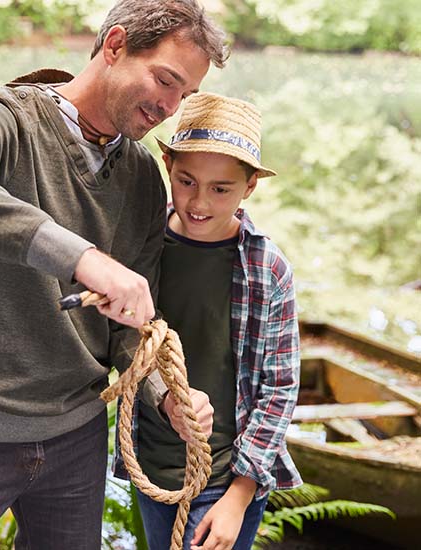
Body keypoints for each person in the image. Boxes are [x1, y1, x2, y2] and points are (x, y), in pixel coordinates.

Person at [0, 2, 229, 548]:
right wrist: (82, 258)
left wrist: (167, 393)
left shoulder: (144, 176)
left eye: (184, 95)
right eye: (165, 80)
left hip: (76, 438)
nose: (170, 107)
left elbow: (133, 324)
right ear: (115, 45)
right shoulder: (5, 118)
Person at [120, 92, 303, 549]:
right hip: (153, 468)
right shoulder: (142, 249)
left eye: (221, 188)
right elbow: (125, 345)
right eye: (186, 181)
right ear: (167, 167)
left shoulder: (266, 269)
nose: (199, 201)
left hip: (226, 475)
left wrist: (238, 498)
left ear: (249, 187)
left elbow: (279, 388)